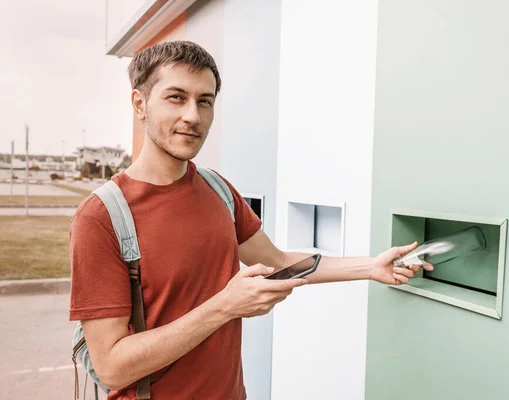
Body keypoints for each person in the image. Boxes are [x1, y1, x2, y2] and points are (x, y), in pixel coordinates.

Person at [68, 40, 433, 400]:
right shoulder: (102, 217)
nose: (193, 116)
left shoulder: (218, 190)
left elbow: (279, 263)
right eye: (176, 97)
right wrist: (225, 306)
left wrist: (371, 267)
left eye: (205, 101)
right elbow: (112, 368)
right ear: (140, 103)